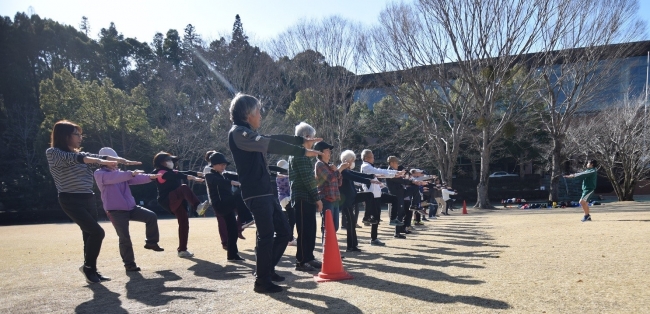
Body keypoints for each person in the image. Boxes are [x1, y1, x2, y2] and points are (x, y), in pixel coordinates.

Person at [227, 93, 321, 294]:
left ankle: (267, 270)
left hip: (265, 192)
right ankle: (262, 281)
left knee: (285, 232)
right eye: (258, 111)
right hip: (255, 193)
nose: (261, 115)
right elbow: (269, 144)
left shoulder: (250, 134)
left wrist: (299, 140)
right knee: (266, 235)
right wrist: (303, 151)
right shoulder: (238, 133)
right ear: (247, 114)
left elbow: (271, 139)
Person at [45, 120, 135, 284]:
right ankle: (88, 268)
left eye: (80, 134)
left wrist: (122, 161)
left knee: (88, 235)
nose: (80, 137)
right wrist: (100, 161)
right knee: (97, 232)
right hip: (70, 198)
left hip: (88, 197)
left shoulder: (83, 155)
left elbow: (98, 157)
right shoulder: (53, 153)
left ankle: (91, 269)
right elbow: (77, 158)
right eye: (76, 134)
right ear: (65, 136)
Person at [94, 147, 164, 272]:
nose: (114, 162)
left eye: (115, 159)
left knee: (151, 216)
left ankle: (151, 242)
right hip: (115, 211)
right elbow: (116, 177)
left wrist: (152, 177)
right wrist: (130, 174)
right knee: (124, 237)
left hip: (131, 208)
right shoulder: (100, 174)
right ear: (102, 161)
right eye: (111, 159)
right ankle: (129, 264)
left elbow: (135, 179)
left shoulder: (121, 173)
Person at [152, 152, 207, 258]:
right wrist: (192, 178)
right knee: (183, 187)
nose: (171, 162)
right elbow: (175, 175)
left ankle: (182, 250)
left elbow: (183, 172)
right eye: (168, 160)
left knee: (184, 223)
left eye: (171, 160)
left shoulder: (171, 171)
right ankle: (197, 206)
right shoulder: (159, 172)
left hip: (177, 200)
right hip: (167, 200)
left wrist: (199, 174)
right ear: (161, 162)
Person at [289, 122, 324, 272]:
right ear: (306, 137)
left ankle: (308, 257)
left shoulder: (302, 153)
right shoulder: (299, 153)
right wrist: (317, 198)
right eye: (311, 137)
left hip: (306, 197)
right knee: (304, 230)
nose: (313, 140)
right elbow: (306, 179)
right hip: (302, 196)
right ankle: (302, 261)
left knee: (310, 229)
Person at [204, 152, 247, 261]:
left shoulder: (223, 173)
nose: (223, 166)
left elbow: (237, 175)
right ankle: (247, 218)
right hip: (220, 204)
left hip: (227, 204)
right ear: (213, 164)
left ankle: (232, 255)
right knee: (238, 196)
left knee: (232, 230)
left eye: (224, 164)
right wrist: (232, 182)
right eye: (221, 164)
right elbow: (219, 182)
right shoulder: (210, 175)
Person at [360, 149, 404, 246]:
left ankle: (393, 219)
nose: (374, 158)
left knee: (394, 199)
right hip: (372, 196)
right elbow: (378, 172)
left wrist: (393, 175)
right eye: (372, 157)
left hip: (377, 194)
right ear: (366, 158)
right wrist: (394, 173)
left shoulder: (369, 167)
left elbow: (379, 174)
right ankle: (373, 238)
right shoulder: (366, 166)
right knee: (376, 217)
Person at [338, 150, 379, 252]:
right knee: (351, 222)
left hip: (353, 197)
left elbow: (358, 174)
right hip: (346, 201)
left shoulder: (347, 169)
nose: (353, 162)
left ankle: (367, 217)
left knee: (369, 195)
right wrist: (368, 180)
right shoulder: (343, 170)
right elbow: (355, 177)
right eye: (353, 160)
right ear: (347, 160)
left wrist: (370, 176)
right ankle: (351, 246)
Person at [313, 141, 347, 240]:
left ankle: (331, 253)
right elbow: (330, 178)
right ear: (320, 152)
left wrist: (337, 170)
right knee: (328, 227)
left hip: (335, 199)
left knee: (335, 227)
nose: (330, 153)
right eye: (327, 150)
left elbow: (339, 183)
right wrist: (339, 169)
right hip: (326, 199)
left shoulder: (330, 166)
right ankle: (327, 253)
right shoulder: (319, 164)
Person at [275, 159, 296, 246]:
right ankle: (289, 238)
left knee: (290, 219)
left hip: (285, 199)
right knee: (291, 219)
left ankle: (290, 237)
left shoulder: (280, 176)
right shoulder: (281, 177)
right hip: (286, 199)